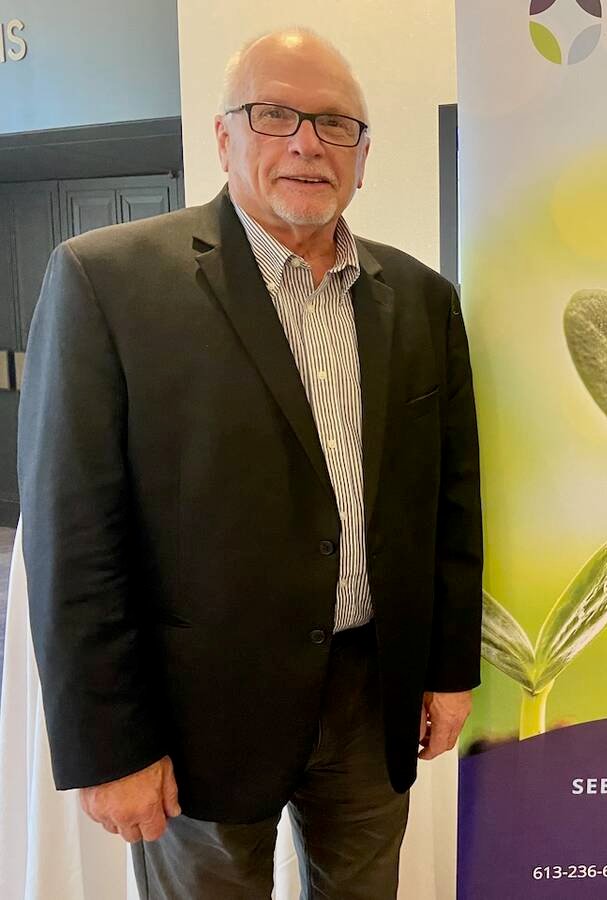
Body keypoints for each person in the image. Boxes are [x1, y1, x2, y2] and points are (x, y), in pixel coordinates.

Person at [17, 28, 482, 899]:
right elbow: (72, 536)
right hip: (199, 713)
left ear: (364, 155)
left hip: (370, 693)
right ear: (225, 138)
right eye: (276, 115)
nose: (307, 142)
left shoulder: (422, 298)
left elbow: (451, 500)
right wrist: (110, 747)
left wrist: (450, 670)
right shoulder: (108, 282)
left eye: (336, 124)